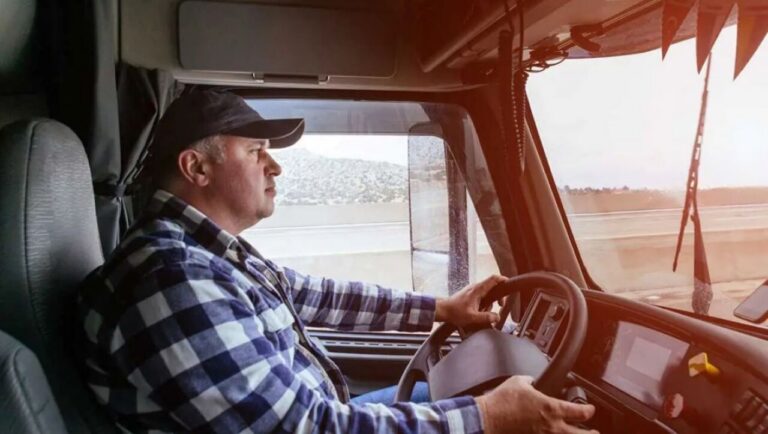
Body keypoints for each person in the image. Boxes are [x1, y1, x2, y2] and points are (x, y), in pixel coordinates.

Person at [78, 90, 597, 433]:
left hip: (323, 416)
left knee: (445, 399)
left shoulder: (207, 254)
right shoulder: (171, 280)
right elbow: (305, 430)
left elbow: (312, 294)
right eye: (256, 151)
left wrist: (443, 309)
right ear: (197, 168)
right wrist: (487, 417)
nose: (275, 166)